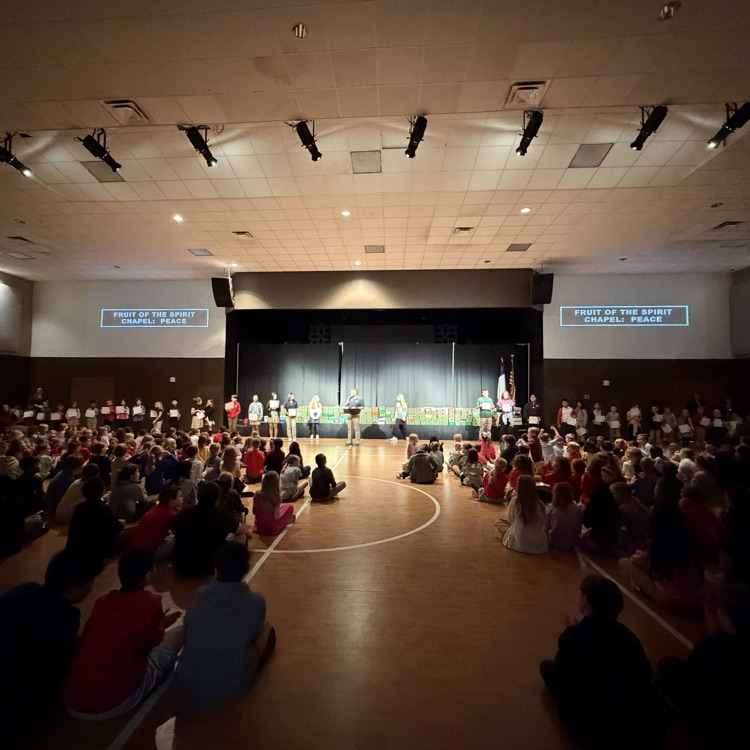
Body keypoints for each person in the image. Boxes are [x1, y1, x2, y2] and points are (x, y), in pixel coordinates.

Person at [539, 576, 664, 750]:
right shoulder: (629, 637)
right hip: (631, 724)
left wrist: (573, 633)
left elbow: (561, 673)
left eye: (580, 593)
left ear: (585, 601)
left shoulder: (573, 634)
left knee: (546, 667)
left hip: (588, 725)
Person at [63, 548, 182, 720]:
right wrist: (160, 627)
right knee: (179, 632)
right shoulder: (150, 602)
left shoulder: (102, 602)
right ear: (149, 575)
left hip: (73, 702)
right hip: (114, 704)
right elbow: (152, 645)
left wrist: (158, 624)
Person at [0, 548, 104, 741]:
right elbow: (56, 665)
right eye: (89, 582)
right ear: (73, 590)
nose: (91, 587)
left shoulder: (25, 590)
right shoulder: (65, 618)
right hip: (14, 709)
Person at [174, 541, 275, 707]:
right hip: (229, 688)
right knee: (266, 630)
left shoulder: (198, 595)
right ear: (247, 569)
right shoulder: (256, 601)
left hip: (185, 683)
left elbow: (188, 628)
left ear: (216, 569)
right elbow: (255, 635)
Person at [171, 481, 246, 577]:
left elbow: (174, 529)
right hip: (208, 565)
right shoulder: (223, 516)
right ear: (217, 498)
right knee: (241, 537)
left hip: (180, 563)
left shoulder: (183, 514)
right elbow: (241, 529)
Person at [67, 477, 123, 558]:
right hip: (98, 550)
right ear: (101, 490)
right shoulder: (104, 508)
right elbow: (117, 526)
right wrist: (121, 522)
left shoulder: (79, 508)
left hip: (78, 548)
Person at [127, 485, 184, 560]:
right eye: (180, 496)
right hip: (148, 554)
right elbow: (180, 533)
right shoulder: (170, 514)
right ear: (171, 501)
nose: (183, 498)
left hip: (134, 550)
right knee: (179, 539)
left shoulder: (157, 507)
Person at [496, 474, 548, 553]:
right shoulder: (540, 504)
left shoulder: (515, 501)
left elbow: (510, 519)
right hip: (539, 544)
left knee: (500, 523)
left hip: (519, 543)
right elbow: (543, 522)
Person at [545, 482, 584, 552]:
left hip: (554, 542)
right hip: (573, 543)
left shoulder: (550, 508)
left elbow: (546, 527)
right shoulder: (578, 510)